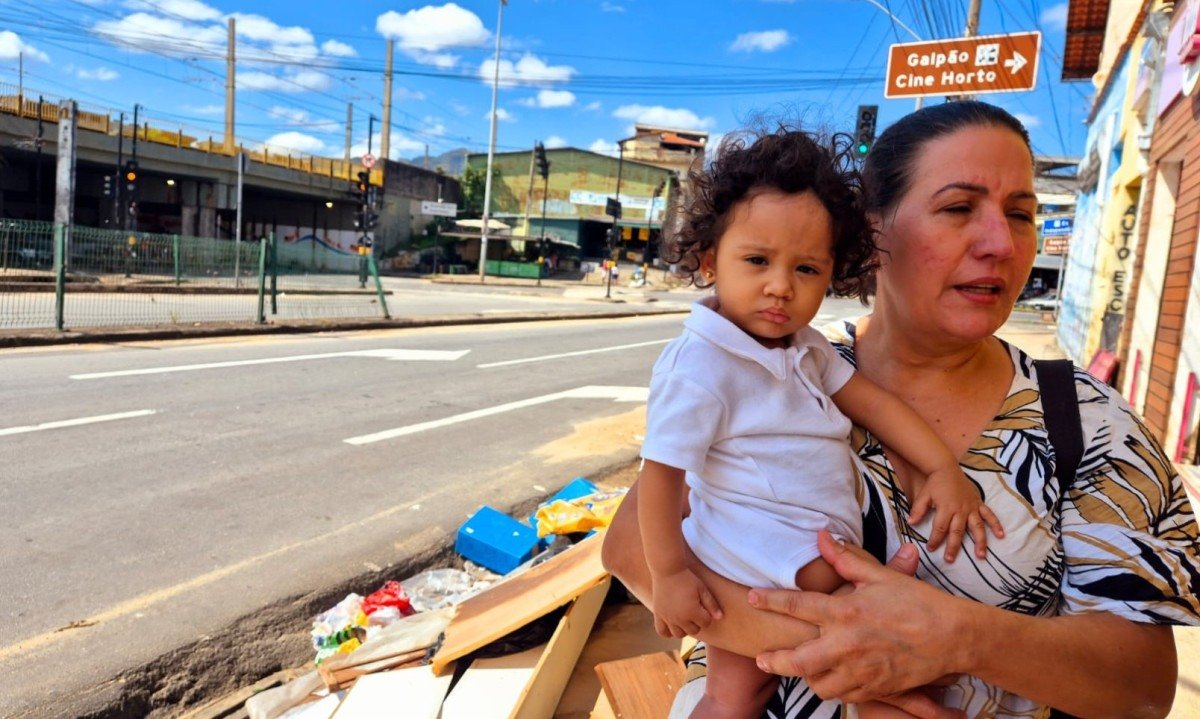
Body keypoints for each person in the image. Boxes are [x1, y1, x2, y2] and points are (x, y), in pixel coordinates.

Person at [601, 101, 1200, 719]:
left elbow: (1142, 689)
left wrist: (957, 637)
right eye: (958, 208)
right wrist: (857, 655)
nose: (1001, 243)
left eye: (1021, 214)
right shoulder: (772, 369)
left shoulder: (1090, 423)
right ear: (871, 233)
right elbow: (627, 548)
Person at [636, 126, 1002, 719]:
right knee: (732, 697)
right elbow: (661, 478)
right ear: (709, 259)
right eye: (756, 261)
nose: (780, 286)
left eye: (807, 269)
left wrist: (940, 467)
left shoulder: (806, 349)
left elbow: (876, 405)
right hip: (753, 563)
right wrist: (670, 573)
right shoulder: (700, 363)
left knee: (849, 681)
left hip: (814, 558)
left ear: (833, 273)